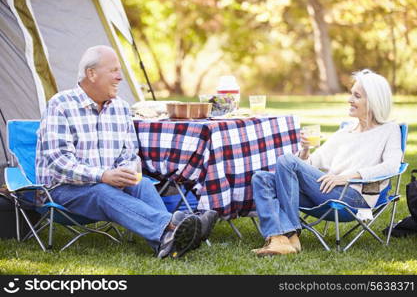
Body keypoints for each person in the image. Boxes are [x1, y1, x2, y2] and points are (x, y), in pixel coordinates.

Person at [36, 45, 218, 259]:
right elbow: (58, 161)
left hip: (108, 184)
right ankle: (173, 224)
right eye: (113, 70)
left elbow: (129, 153)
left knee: (139, 183)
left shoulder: (120, 107)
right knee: (100, 191)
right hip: (62, 189)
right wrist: (102, 176)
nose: (120, 77)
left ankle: (167, 242)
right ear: (91, 74)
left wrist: (125, 171)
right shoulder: (60, 105)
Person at [251, 69, 402, 256]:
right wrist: (305, 150)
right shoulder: (345, 132)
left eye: (357, 96)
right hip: (326, 190)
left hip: (355, 197)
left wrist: (347, 178)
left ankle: (290, 236)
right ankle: (281, 239)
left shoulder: (389, 130)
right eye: (351, 94)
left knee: (286, 160)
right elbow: (313, 163)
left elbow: (392, 166)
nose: (349, 100)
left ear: (373, 101)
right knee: (261, 178)